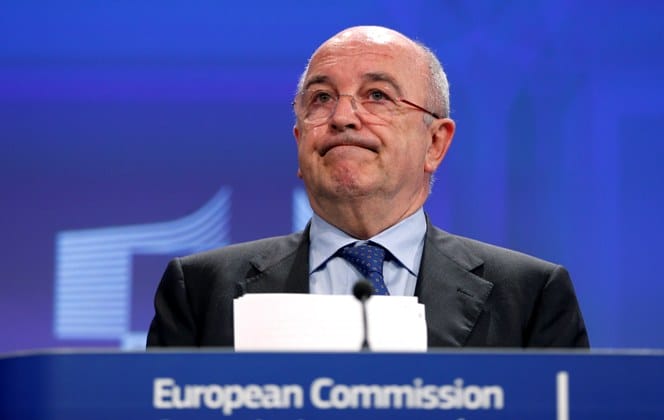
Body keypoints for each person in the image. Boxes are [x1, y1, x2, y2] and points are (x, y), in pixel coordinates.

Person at [147, 26, 589, 348]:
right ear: (300, 141)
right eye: (321, 98)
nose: (343, 117)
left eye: (377, 95)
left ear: (435, 143)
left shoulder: (530, 296)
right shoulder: (201, 290)